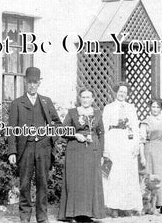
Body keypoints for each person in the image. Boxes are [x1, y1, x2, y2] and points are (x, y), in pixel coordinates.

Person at [8, 67, 61, 223]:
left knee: (42, 183)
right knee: (24, 183)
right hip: (25, 148)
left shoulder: (46, 101)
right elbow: (11, 129)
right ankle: (25, 216)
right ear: (25, 82)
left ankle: (42, 217)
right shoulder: (17, 103)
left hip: (43, 148)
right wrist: (12, 151)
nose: (32, 85)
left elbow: (57, 124)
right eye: (29, 82)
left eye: (35, 82)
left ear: (39, 83)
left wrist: (50, 136)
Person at [58, 88, 105, 222]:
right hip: (75, 150)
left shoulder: (97, 113)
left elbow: (101, 133)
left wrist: (101, 153)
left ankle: (87, 213)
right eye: (83, 97)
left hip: (92, 151)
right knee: (76, 181)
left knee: (90, 181)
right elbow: (62, 129)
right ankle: (74, 213)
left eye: (88, 97)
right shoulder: (72, 112)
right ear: (80, 99)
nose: (85, 100)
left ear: (92, 99)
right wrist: (75, 135)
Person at [102, 81, 143, 216]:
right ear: (115, 92)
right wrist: (105, 147)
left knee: (127, 174)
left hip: (127, 142)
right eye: (120, 92)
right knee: (114, 173)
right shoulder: (109, 107)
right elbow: (104, 129)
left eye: (125, 92)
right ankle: (113, 207)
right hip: (114, 141)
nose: (122, 94)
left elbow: (136, 128)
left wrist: (136, 145)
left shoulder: (131, 107)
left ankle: (126, 206)